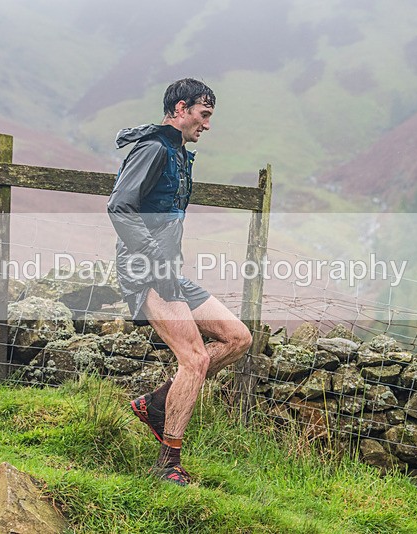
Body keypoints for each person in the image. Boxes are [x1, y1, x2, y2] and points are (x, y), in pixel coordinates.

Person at [107, 78, 253, 486]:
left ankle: (157, 403)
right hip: (144, 270)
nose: (207, 125)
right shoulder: (154, 149)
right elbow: (119, 206)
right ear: (182, 108)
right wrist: (153, 254)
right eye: (204, 115)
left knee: (238, 338)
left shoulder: (176, 152)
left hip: (169, 271)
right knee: (196, 359)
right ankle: (168, 463)